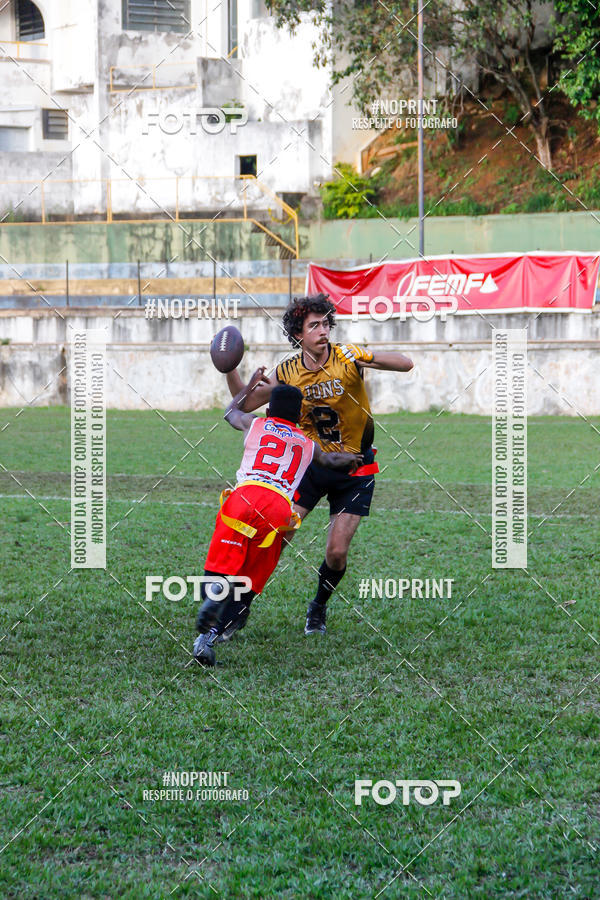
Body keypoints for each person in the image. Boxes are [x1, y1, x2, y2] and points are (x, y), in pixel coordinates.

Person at [225, 294, 413, 636]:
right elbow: (243, 403)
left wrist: (368, 356)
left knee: (337, 552)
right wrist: (230, 370)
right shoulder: (287, 371)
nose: (323, 330)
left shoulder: (347, 357)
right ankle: (240, 607)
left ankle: (318, 607)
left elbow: (406, 363)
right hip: (310, 466)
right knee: (276, 538)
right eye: (314, 325)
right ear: (298, 334)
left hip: (355, 469)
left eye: (326, 323)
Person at [193, 366, 362, 666]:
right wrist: (350, 459)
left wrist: (250, 386)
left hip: (244, 497)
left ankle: (213, 596)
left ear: (269, 410)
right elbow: (329, 460)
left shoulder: (255, 424)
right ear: (299, 417)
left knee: (221, 563)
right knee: (249, 579)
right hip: (278, 510)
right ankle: (215, 632)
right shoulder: (306, 443)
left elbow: (230, 412)